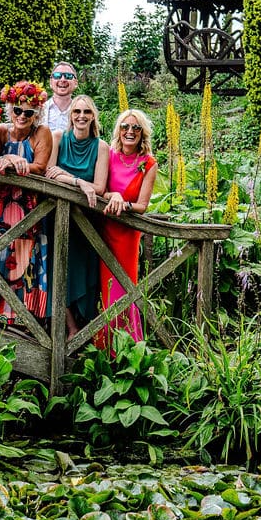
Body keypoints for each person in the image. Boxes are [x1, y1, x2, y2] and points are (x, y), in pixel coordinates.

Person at [0, 80, 52, 328]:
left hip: (28, 210)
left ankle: (20, 319)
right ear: (9, 109)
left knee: (23, 261)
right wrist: (6, 157)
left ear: (36, 114)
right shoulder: (1, 130)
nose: (22, 116)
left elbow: (40, 166)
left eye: (28, 112)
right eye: (17, 110)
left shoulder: (41, 133)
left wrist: (20, 162)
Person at [45, 94, 109, 339]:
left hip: (86, 221)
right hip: (58, 217)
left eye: (86, 112)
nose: (81, 116)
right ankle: (69, 328)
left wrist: (70, 178)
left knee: (84, 273)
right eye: (77, 112)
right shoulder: (59, 138)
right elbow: (50, 173)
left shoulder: (101, 146)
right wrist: (80, 182)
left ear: (93, 117)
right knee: (57, 269)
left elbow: (100, 187)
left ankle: (87, 329)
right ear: (70, 117)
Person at [96, 109, 157, 351]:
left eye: (135, 128)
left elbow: (142, 206)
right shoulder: (108, 156)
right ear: (118, 131)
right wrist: (114, 195)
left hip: (128, 235)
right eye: (124, 127)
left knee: (124, 290)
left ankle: (127, 348)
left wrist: (125, 203)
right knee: (103, 289)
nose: (129, 132)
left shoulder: (149, 164)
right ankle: (102, 346)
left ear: (143, 134)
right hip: (103, 229)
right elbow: (101, 189)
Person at [44, 61, 78, 133]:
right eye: (57, 75)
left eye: (68, 76)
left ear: (75, 83)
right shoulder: (39, 109)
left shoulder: (82, 112)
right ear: (50, 82)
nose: (62, 80)